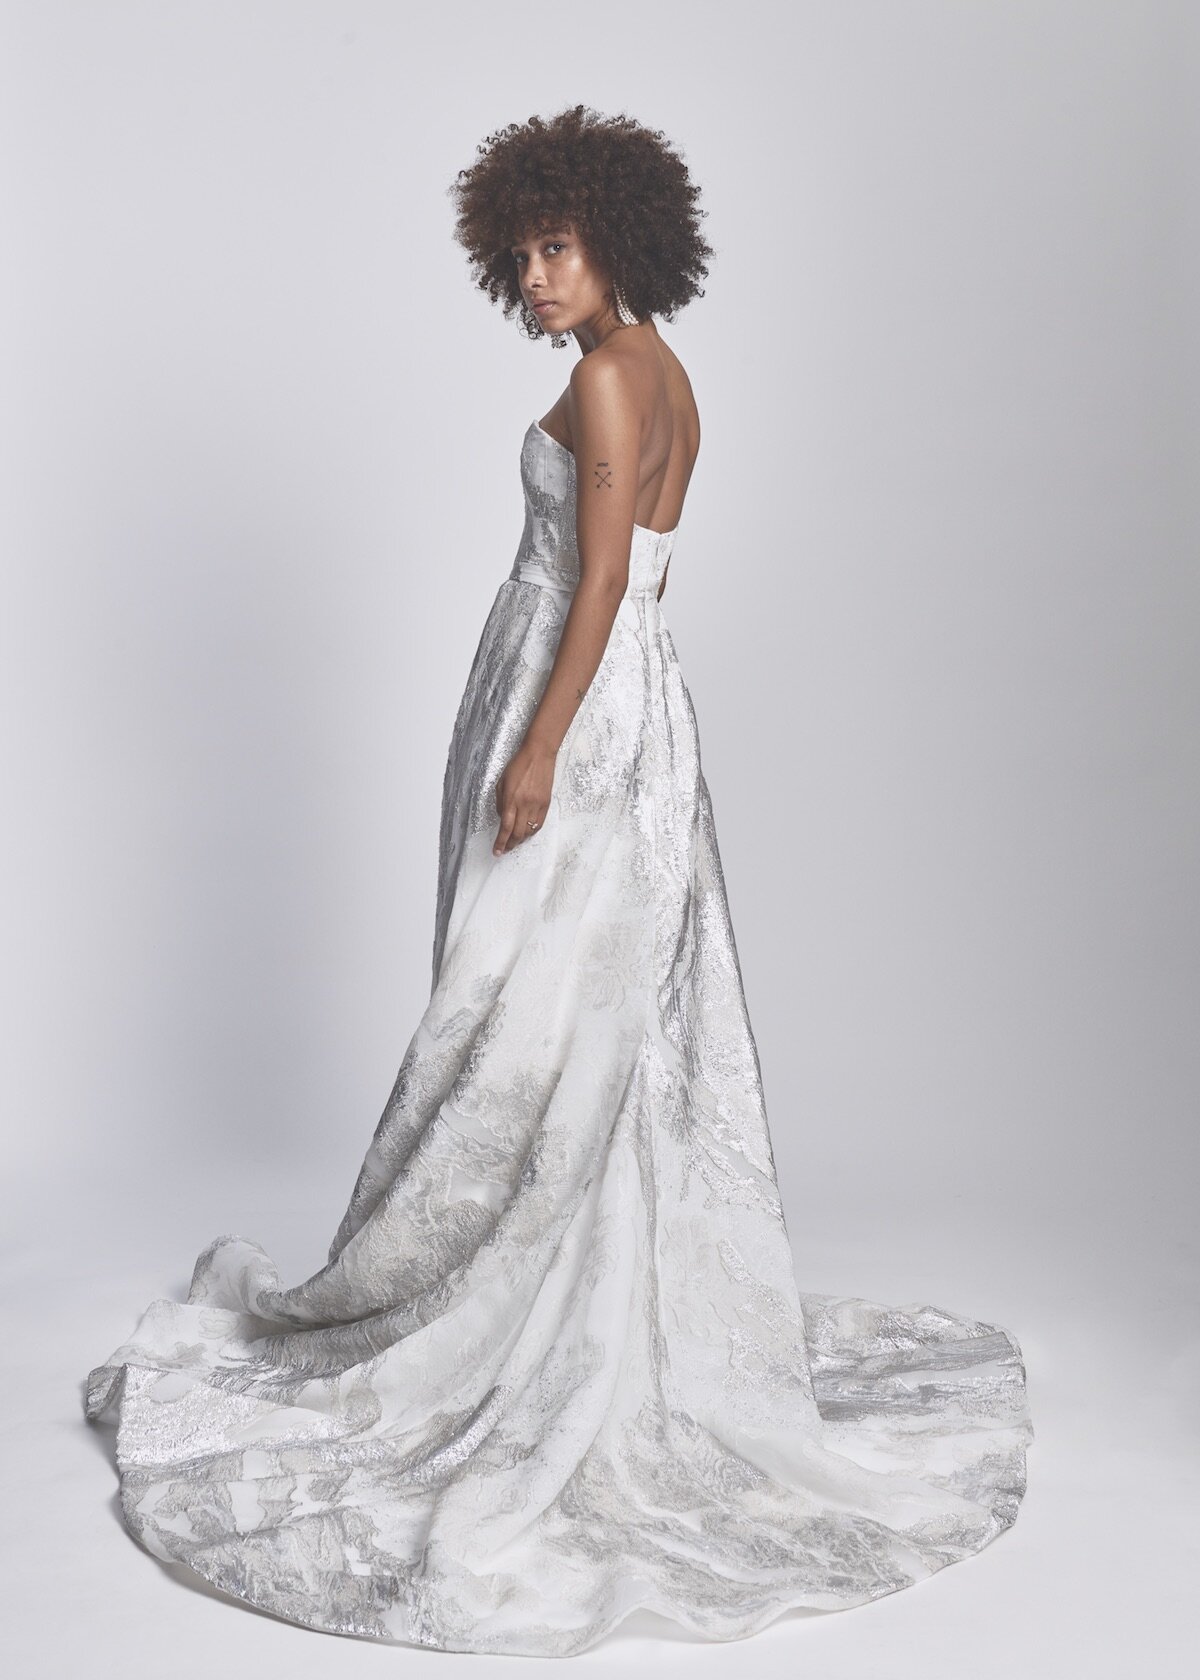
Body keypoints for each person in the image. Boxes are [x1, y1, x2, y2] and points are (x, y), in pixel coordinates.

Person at [83, 104, 1034, 1658]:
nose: (535, 277)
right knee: (590, 1024)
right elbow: (646, 577)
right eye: (521, 253)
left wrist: (537, 749)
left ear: (616, 242)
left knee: (518, 1021)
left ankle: (513, 1323)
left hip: (581, 711)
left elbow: (598, 581)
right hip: (637, 706)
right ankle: (585, 1282)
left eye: (556, 248)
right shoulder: (663, 369)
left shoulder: (606, 379)